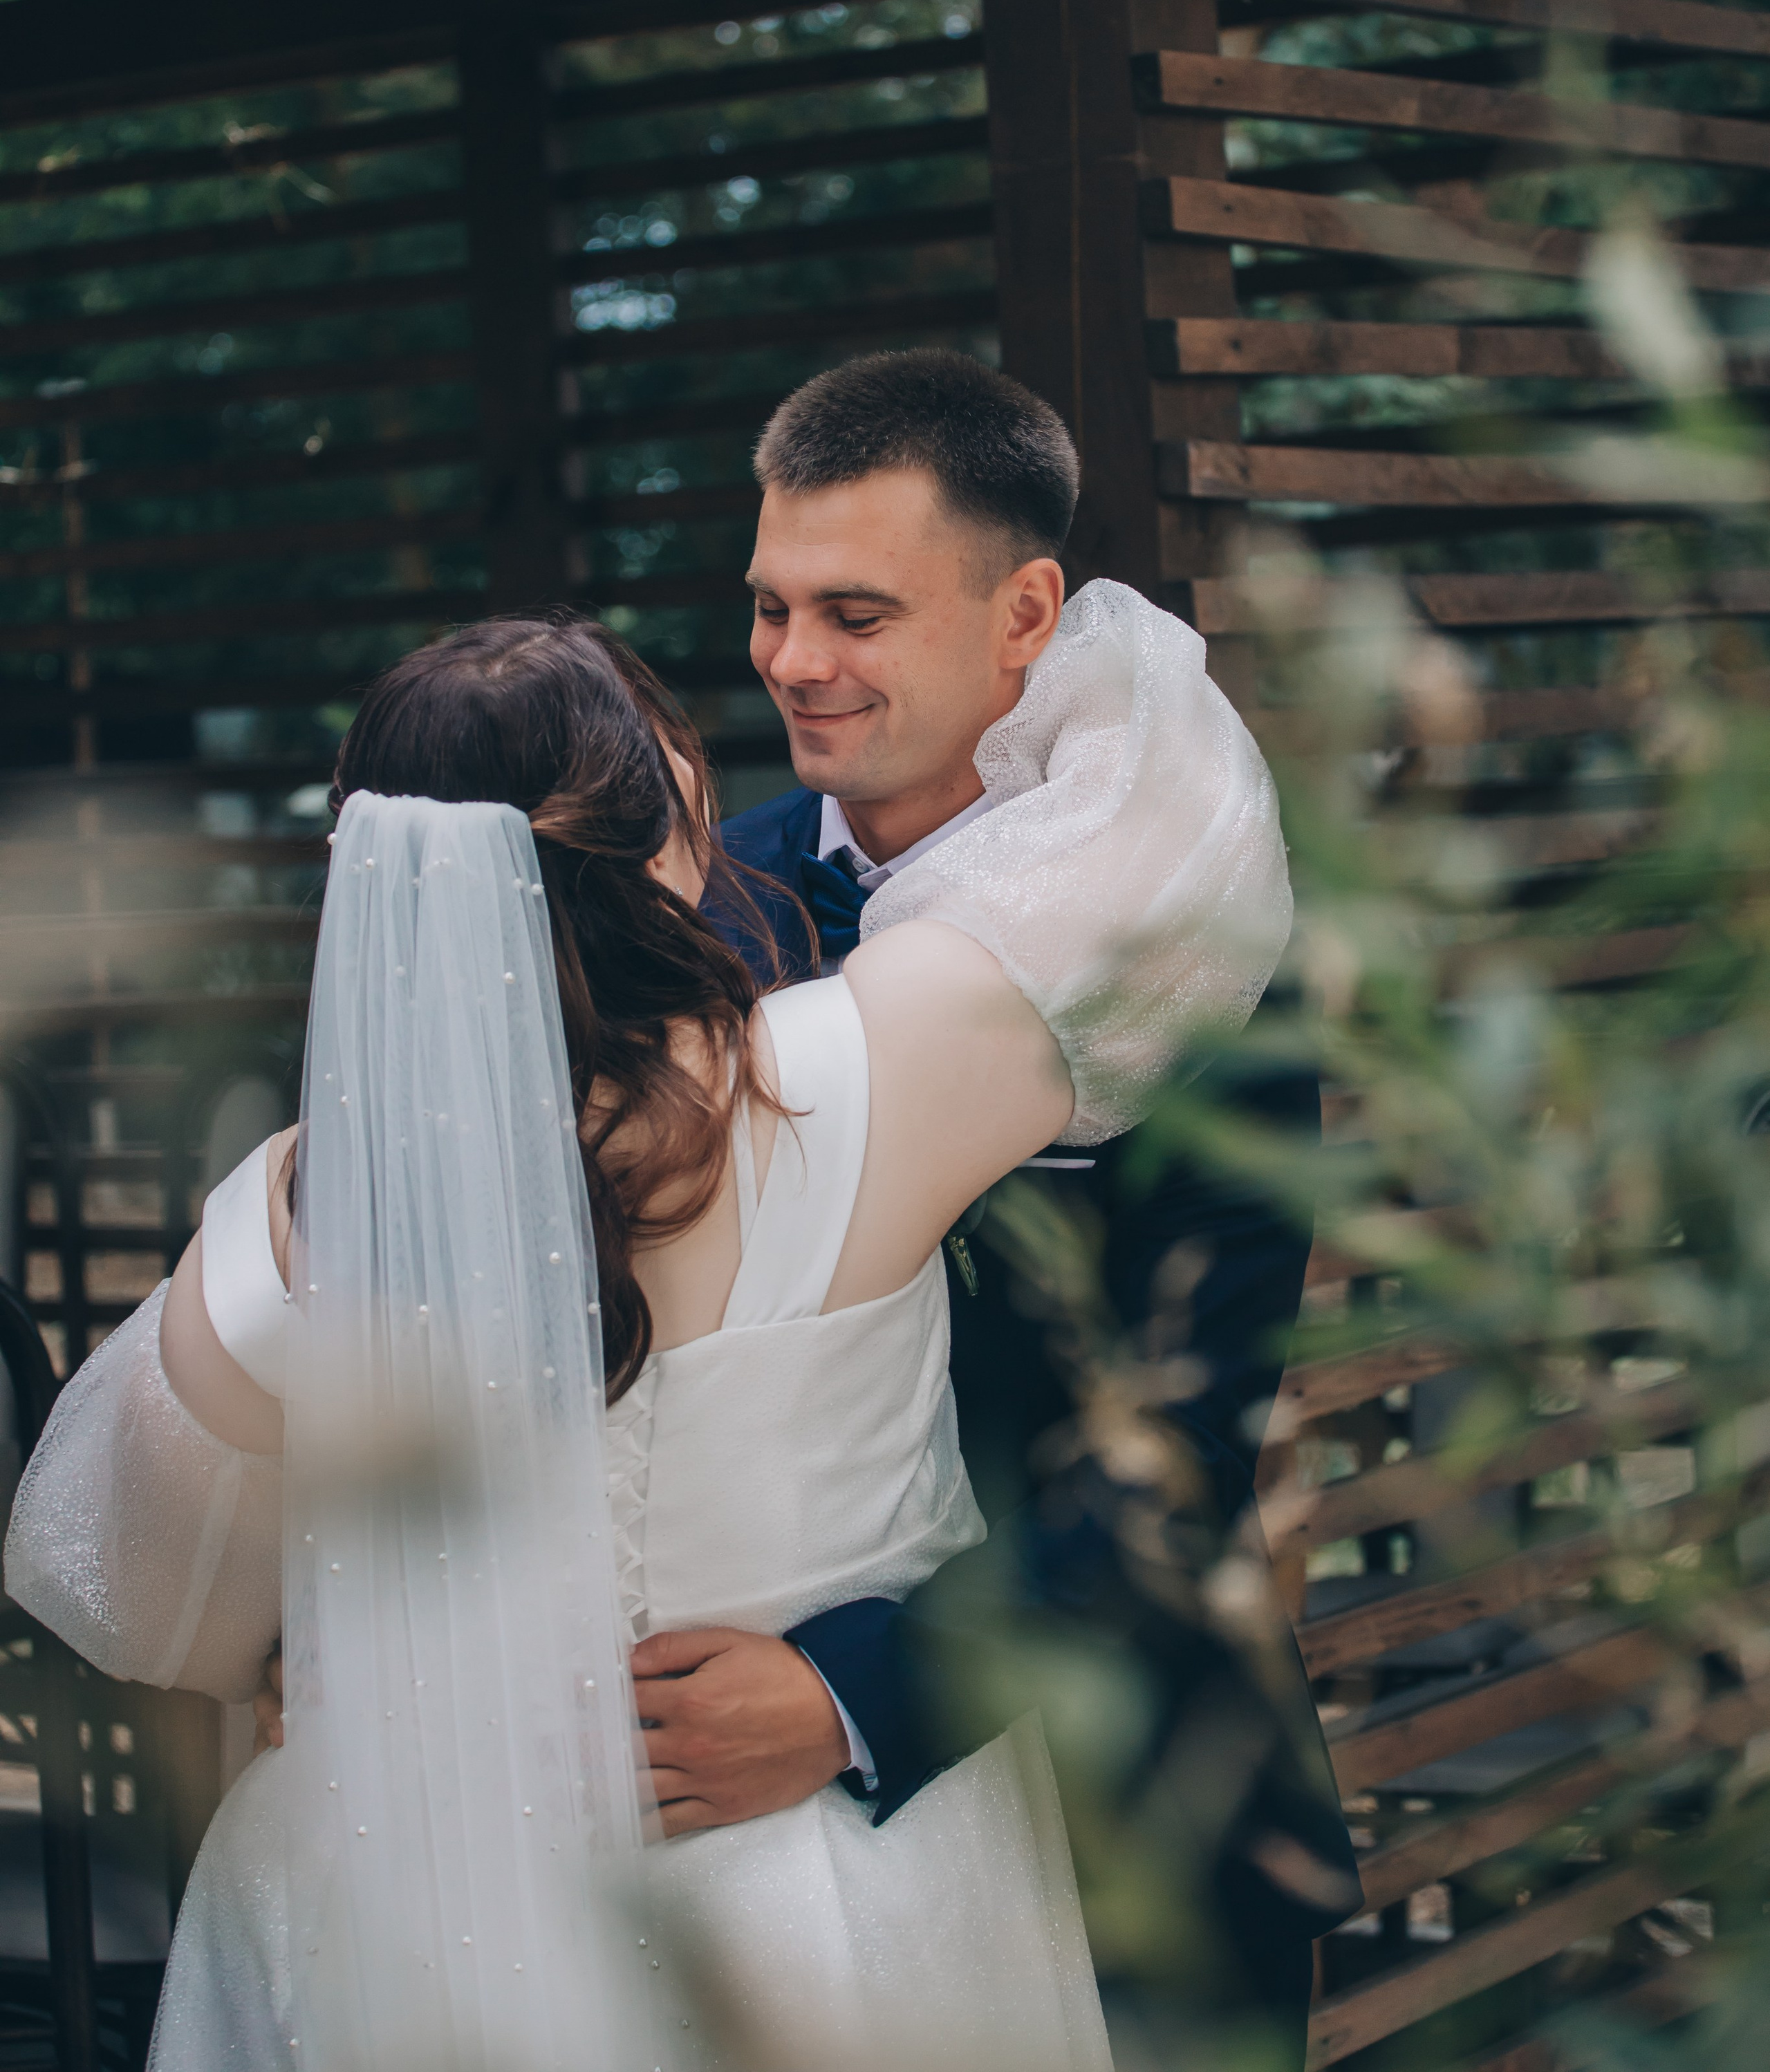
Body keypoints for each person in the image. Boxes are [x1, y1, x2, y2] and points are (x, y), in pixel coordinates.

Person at [4, 545, 1292, 2069]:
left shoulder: (279, 1225)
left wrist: (341, 1641)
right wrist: (1039, 632)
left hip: (370, 1899)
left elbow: (136, 1586)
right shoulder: (861, 1077)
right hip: (783, 1911)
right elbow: (1173, 823)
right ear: (680, 823)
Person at [655, 353, 1361, 2062]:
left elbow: (1183, 1432)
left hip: (1114, 1777)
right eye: (768, 609)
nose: (793, 665)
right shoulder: (688, 907)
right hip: (717, 1840)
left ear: (1023, 611)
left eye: (857, 613)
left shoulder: (1190, 950)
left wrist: (847, 1700)